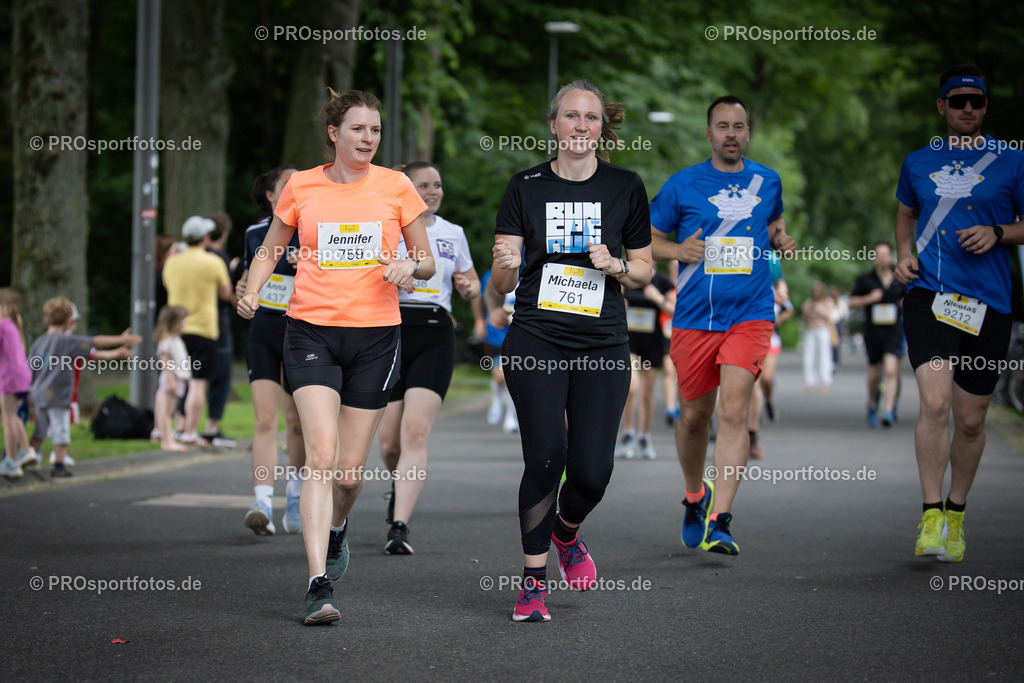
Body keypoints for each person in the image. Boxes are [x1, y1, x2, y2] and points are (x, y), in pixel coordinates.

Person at [237, 89, 434, 624]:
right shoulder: (302, 185)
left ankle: (339, 527)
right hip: (310, 333)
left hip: (376, 337)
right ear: (334, 133)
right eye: (357, 129)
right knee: (319, 459)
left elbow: (427, 261)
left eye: (374, 130)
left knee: (349, 475)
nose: (368, 138)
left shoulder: (395, 186)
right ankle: (317, 584)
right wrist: (251, 288)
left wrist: (407, 267)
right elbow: (272, 248)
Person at [492, 78, 653, 622]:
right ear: (553, 124)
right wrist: (505, 269)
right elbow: (500, 278)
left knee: (591, 472)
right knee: (545, 454)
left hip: (602, 341)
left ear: (602, 126)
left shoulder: (626, 186)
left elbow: (646, 267)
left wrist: (618, 267)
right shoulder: (525, 186)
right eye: (570, 116)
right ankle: (532, 581)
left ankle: (566, 532)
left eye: (591, 117)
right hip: (536, 335)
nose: (581, 126)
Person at [650, 95, 795, 556]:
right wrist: (678, 252)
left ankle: (721, 520)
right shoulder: (682, 185)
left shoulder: (767, 181)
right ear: (709, 133)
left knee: (734, 412)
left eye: (739, 126)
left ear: (747, 133)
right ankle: (695, 497)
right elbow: (646, 241)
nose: (732, 134)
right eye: (723, 126)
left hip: (750, 313)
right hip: (694, 317)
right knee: (695, 416)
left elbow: (775, 225)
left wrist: (782, 240)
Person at [894, 64, 1024, 564]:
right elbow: (905, 213)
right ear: (941, 107)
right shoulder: (918, 161)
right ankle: (929, 513)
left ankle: (956, 513)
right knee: (935, 406)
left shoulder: (1011, 162)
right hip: (930, 295)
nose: (967, 108)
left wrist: (999, 232)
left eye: (976, 101)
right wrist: (905, 252)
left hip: (989, 302)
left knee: (971, 420)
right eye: (957, 100)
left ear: (985, 108)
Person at [377, 161, 480, 554]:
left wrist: (468, 288)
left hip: (435, 331)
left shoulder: (453, 233)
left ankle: (400, 526)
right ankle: (398, 484)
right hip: (390, 330)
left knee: (415, 433)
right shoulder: (388, 226)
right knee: (389, 444)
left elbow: (468, 280)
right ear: (407, 188)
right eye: (424, 185)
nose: (433, 191)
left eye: (437, 184)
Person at [236, 165, 306, 536]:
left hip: (302, 332)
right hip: (263, 329)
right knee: (264, 419)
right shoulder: (253, 233)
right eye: (288, 185)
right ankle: (262, 500)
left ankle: (295, 498)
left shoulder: (315, 228)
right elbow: (248, 279)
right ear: (270, 195)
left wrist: (307, 266)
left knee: (295, 422)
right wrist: (242, 293)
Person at [27, 297, 140, 477]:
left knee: (40, 428)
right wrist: (120, 340)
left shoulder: (39, 341)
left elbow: (31, 368)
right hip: (58, 394)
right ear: (68, 321)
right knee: (60, 429)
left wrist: (28, 391)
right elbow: (95, 342)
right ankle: (59, 464)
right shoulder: (68, 341)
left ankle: (30, 455)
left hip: (39, 393)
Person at [163, 215, 234, 446]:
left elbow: (167, 285)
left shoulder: (172, 262)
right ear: (205, 237)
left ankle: (177, 424)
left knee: (175, 379)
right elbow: (225, 293)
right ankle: (191, 431)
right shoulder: (213, 262)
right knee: (198, 382)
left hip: (175, 329)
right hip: (204, 329)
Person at [614, 271, 674, 459]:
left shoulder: (662, 282)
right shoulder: (625, 274)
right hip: (629, 341)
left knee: (647, 394)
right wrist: (618, 305)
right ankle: (628, 433)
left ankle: (644, 436)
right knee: (631, 388)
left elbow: (677, 311)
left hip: (653, 343)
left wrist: (658, 299)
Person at [849, 242, 905, 428]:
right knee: (874, 373)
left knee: (891, 370)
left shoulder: (900, 279)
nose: (882, 258)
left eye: (885, 254)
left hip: (894, 330)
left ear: (891, 257)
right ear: (873, 258)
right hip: (873, 331)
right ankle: (872, 403)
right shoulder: (866, 280)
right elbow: (852, 302)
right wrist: (869, 298)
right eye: (878, 254)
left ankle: (888, 410)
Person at [747, 256, 792, 458]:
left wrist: (781, 293)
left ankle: (769, 402)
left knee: (765, 379)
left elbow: (787, 304)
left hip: (770, 338)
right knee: (753, 385)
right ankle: (751, 436)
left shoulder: (770, 258)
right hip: (746, 336)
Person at [202, 213, 238, 447]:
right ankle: (211, 428)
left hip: (189, 323)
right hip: (216, 322)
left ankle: (182, 423)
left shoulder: (188, 257)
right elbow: (225, 293)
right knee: (221, 374)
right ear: (223, 233)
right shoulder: (219, 259)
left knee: (193, 375)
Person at [0, 288, 36, 477]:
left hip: (9, 377)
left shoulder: (3, 325)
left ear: (6, 307)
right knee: (13, 415)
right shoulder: (14, 326)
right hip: (22, 375)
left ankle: (11, 460)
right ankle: (25, 450)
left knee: (7, 418)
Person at [480, 271, 519, 433]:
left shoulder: (531, 273)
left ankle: (511, 416)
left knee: (514, 377)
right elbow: (480, 298)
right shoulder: (490, 276)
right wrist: (480, 321)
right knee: (499, 376)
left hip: (519, 333)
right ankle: (497, 398)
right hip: (497, 333)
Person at [153, 306, 191, 452]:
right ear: (174, 322)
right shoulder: (167, 341)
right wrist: (171, 381)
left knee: (169, 411)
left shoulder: (174, 339)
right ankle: (167, 441)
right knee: (166, 412)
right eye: (183, 320)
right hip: (172, 379)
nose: (185, 322)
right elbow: (165, 363)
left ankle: (168, 438)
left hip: (177, 379)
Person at [802, 282, 835, 393]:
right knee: (809, 356)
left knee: (824, 355)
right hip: (811, 330)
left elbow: (830, 317)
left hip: (823, 330)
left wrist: (819, 309)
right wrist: (809, 310)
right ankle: (810, 381)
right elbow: (804, 318)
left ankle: (825, 381)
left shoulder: (827, 302)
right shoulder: (808, 302)